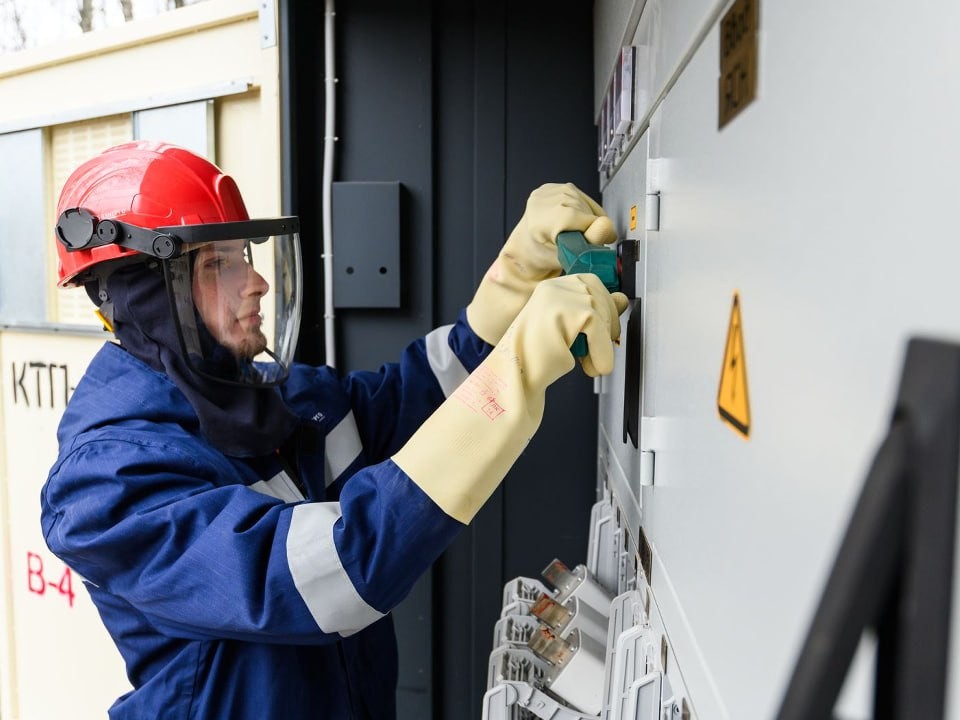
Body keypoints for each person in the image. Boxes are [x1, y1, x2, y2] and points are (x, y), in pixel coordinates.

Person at [40, 140, 628, 719]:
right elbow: (336, 572)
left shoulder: (271, 397)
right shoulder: (108, 485)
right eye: (217, 263)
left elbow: (411, 400)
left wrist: (512, 287)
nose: (256, 283)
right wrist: (515, 374)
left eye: (245, 256)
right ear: (145, 297)